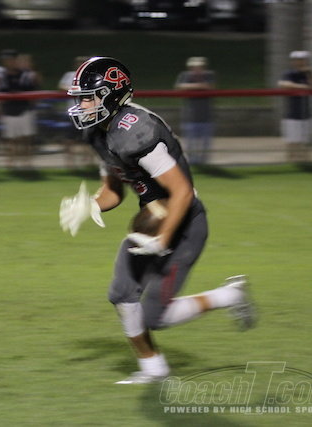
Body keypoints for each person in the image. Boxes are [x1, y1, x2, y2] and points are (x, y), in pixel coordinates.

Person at [59, 57, 256, 384]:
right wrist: (90, 205)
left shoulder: (136, 130)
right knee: (122, 294)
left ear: (111, 95)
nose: (81, 106)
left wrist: (163, 239)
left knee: (155, 316)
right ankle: (153, 368)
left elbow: (182, 192)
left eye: (88, 98)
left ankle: (228, 296)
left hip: (184, 224)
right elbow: (113, 191)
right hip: (152, 220)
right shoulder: (98, 132)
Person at [0, 50, 39, 169]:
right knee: (10, 139)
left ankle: (26, 162)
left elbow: (31, 90)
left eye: (11, 60)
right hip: (9, 110)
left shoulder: (25, 75)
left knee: (25, 138)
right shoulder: (3, 76)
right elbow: (2, 92)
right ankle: (11, 163)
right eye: (6, 60)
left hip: (24, 109)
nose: (9, 62)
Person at [278, 50, 312, 163]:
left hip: (307, 113)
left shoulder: (308, 74)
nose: (301, 62)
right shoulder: (289, 73)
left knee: (306, 142)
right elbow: (284, 84)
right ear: (293, 62)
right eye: (298, 60)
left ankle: (306, 161)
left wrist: (310, 74)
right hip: (293, 114)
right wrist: (304, 87)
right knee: (292, 142)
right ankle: (291, 161)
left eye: (303, 60)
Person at [174, 56, 215, 165]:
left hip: (206, 117)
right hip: (190, 116)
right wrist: (199, 86)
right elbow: (179, 88)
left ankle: (203, 162)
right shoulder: (185, 76)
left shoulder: (209, 75)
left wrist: (191, 87)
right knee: (190, 144)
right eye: (195, 67)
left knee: (205, 145)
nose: (197, 69)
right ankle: (192, 162)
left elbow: (209, 86)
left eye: (200, 67)